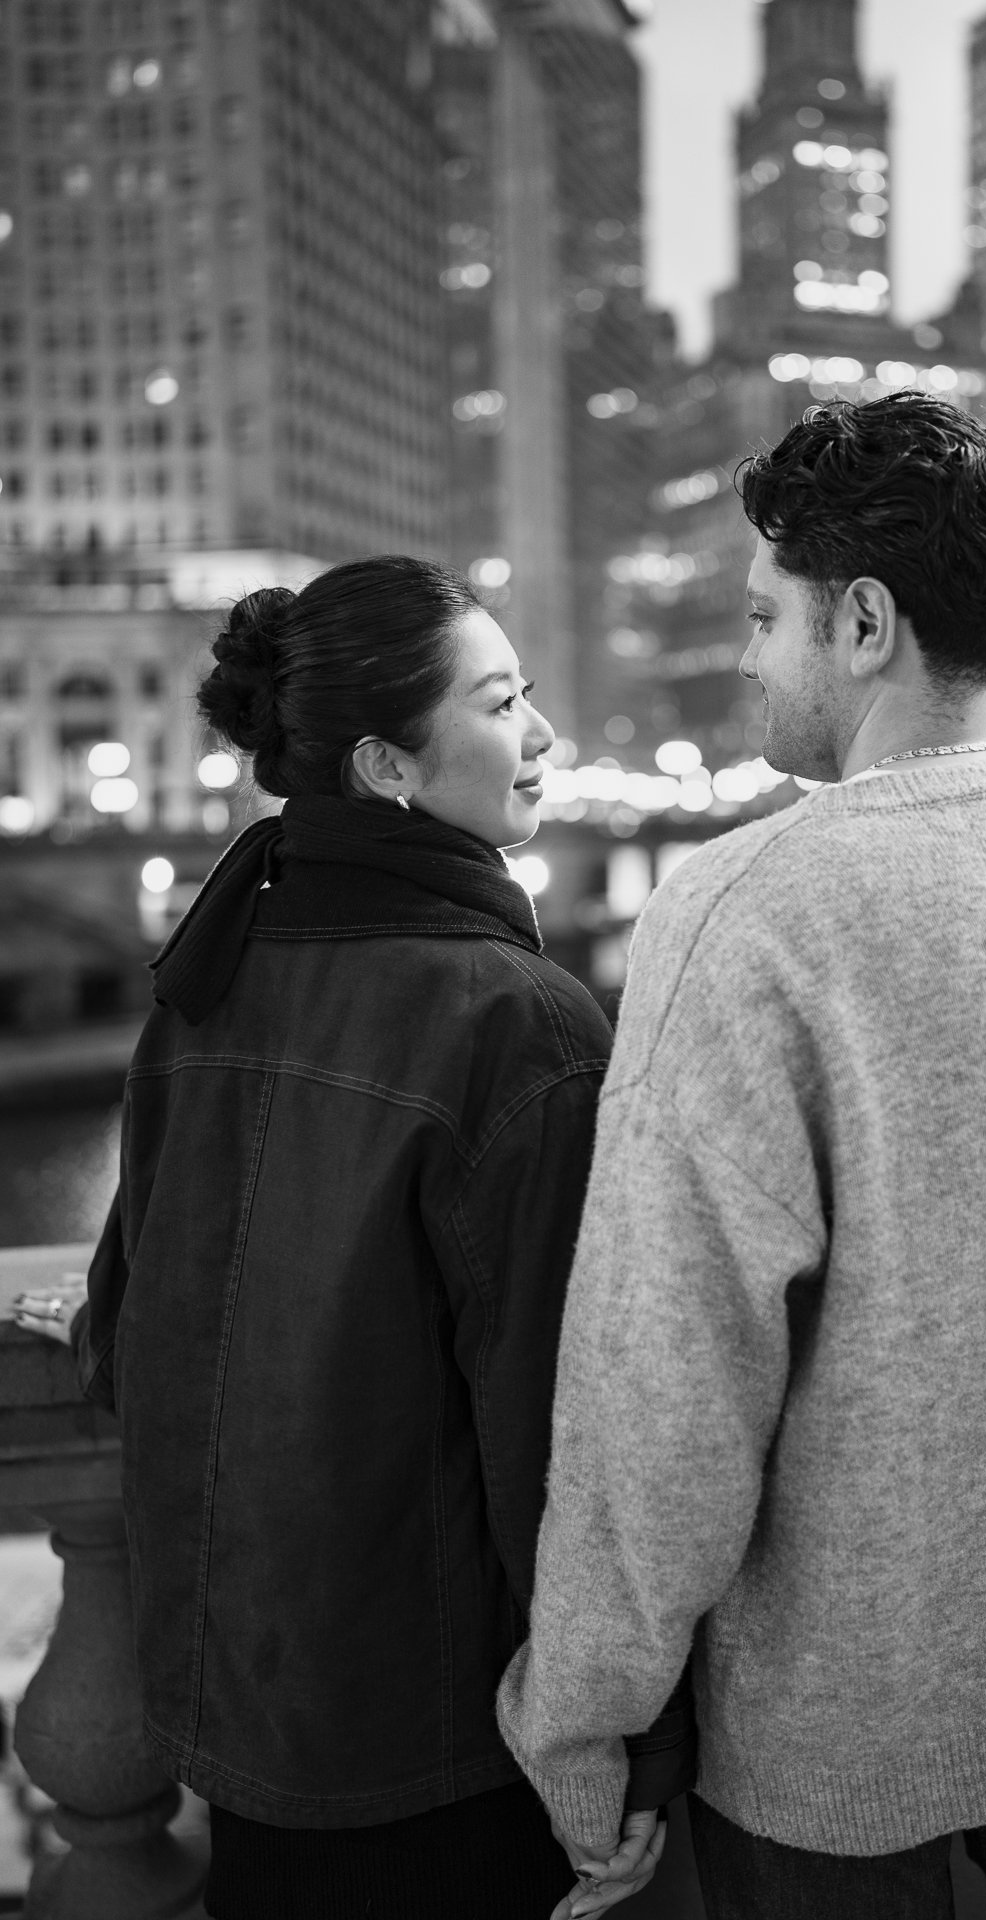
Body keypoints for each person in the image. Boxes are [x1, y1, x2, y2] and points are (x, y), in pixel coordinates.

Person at [497, 394, 986, 1919]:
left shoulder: (750, 906)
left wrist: (580, 1717)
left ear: (866, 623)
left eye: (767, 616)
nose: (750, 656)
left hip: (836, 1723)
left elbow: (664, 1383)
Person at [14, 555, 690, 1920]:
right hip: (437, 1746)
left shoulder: (209, 985)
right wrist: (622, 1746)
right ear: (385, 767)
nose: (544, 734)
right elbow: (563, 1439)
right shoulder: (517, 1024)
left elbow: (135, 1327)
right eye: (499, 704)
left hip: (240, 1714)